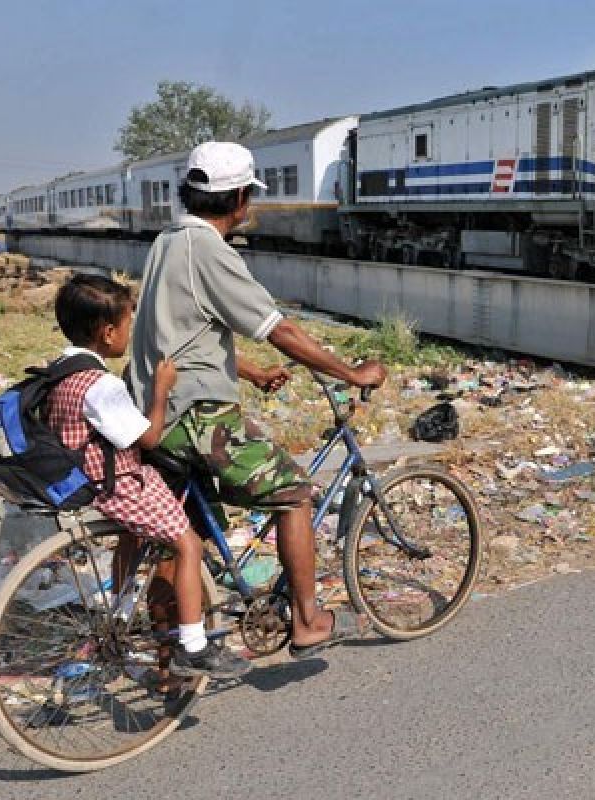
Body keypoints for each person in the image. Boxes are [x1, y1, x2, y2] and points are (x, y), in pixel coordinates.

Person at [128, 141, 386, 659]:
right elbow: (279, 329)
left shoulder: (166, 242)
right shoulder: (211, 251)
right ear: (240, 197)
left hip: (154, 417)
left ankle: (168, 659)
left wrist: (246, 371)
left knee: (183, 538)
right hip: (199, 421)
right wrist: (351, 371)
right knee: (296, 494)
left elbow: (181, 336)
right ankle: (309, 621)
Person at [48, 274, 250, 678]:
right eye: (127, 325)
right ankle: (193, 644)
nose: (130, 333)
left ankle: (121, 611)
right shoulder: (101, 385)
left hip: (85, 481)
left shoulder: (62, 369)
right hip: (120, 483)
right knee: (188, 546)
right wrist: (161, 390)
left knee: (130, 538)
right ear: (108, 333)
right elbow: (152, 436)